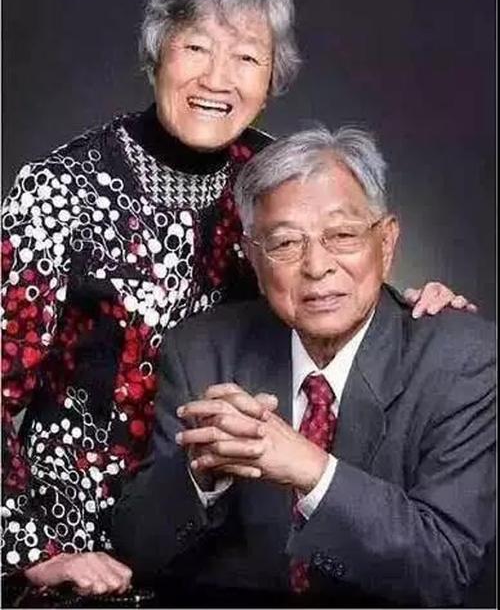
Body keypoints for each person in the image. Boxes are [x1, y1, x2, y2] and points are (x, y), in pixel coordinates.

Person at [1, 0, 476, 598]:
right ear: (157, 55)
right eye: (196, 47)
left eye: (247, 57)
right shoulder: (60, 189)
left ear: (272, 78)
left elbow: (331, 272)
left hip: (223, 522)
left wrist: (412, 307)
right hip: (78, 533)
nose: (217, 78)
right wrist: (31, 549)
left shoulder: (269, 174)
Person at [112, 126, 495, 608]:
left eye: (342, 235)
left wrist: (311, 469)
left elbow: (449, 568)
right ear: (254, 258)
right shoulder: (202, 351)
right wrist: (197, 474)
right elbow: (138, 550)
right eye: (286, 243)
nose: (317, 266)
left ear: (386, 242)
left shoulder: (462, 359)